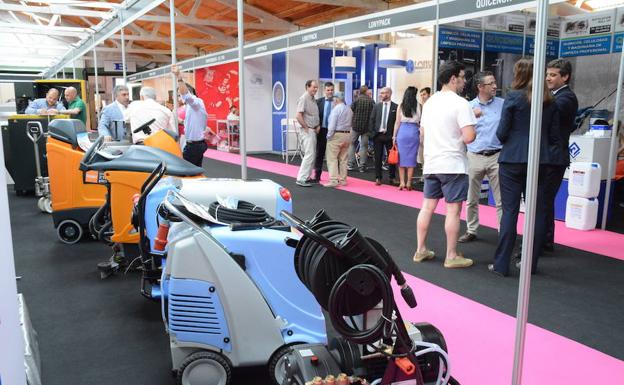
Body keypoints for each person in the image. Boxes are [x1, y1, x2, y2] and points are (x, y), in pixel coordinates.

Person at [489, 59, 561, 277]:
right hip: (541, 161)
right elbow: (555, 137)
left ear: (519, 74)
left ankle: (501, 265)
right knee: (537, 214)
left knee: (510, 212)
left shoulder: (513, 97)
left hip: (512, 159)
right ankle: (529, 264)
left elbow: (501, 133)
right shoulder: (550, 101)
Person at [413, 61, 476, 269]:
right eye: (462, 77)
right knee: (453, 211)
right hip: (453, 165)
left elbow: (422, 134)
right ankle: (451, 255)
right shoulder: (461, 104)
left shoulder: (429, 103)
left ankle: (420, 249)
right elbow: (469, 137)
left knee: (427, 207)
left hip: (432, 163)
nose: (464, 82)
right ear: (453, 79)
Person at [458, 71, 504, 243]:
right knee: (471, 198)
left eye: (494, 82)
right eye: (490, 83)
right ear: (480, 87)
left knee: (501, 200)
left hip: (497, 156)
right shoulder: (467, 107)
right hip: (473, 155)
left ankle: (503, 231)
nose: (495, 86)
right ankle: (471, 230)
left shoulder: (503, 104)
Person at [543, 59, 579, 251]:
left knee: (545, 200)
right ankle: (543, 239)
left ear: (565, 77)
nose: (548, 78)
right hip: (549, 156)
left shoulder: (566, 98)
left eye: (553, 74)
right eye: (547, 74)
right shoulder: (554, 96)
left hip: (554, 158)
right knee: (543, 200)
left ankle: (544, 241)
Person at [173, 65, 208, 167]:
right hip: (194, 144)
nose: (179, 98)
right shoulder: (191, 106)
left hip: (195, 146)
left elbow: (187, 96)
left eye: (179, 94)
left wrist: (179, 77)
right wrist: (182, 122)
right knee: (195, 170)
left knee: (187, 171)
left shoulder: (196, 102)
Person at [392, 86, 421, 191]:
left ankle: (402, 182)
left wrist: (394, 136)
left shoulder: (401, 105)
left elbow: (397, 122)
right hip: (414, 132)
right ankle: (409, 182)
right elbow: (420, 122)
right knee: (411, 158)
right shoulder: (419, 106)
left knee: (401, 159)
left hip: (402, 132)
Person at [369, 87, 398, 186]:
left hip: (390, 136)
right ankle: (378, 177)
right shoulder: (377, 106)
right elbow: (372, 120)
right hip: (378, 135)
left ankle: (392, 177)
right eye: (381, 93)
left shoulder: (396, 107)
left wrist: (395, 136)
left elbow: (397, 123)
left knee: (392, 158)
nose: (381, 95)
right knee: (377, 157)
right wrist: (372, 133)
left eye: (384, 93)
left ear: (389, 94)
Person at [323, 91, 353, 188]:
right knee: (343, 159)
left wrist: (328, 136)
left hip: (336, 135)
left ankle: (334, 180)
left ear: (336, 99)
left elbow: (332, 125)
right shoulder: (349, 109)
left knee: (332, 158)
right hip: (347, 135)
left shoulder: (336, 110)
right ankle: (343, 180)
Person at [295, 80, 320, 187]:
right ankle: (301, 178)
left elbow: (313, 115)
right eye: (313, 87)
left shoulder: (313, 99)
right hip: (307, 130)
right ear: (307, 87)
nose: (315, 89)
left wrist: (317, 125)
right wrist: (306, 127)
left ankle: (306, 177)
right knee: (309, 154)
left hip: (312, 130)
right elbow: (298, 115)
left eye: (316, 87)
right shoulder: (304, 98)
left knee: (311, 154)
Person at [348, 85, 375, 172]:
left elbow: (350, 112)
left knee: (351, 144)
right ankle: (362, 166)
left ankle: (350, 164)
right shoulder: (371, 101)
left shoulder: (356, 100)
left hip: (355, 126)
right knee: (364, 146)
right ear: (366, 91)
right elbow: (373, 115)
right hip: (366, 128)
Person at [313, 82, 335, 183]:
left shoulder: (337, 102)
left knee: (333, 156)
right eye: (328, 90)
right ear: (324, 91)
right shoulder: (318, 102)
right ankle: (317, 176)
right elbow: (315, 116)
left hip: (334, 132)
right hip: (321, 130)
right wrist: (316, 126)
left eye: (331, 90)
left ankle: (334, 177)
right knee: (319, 154)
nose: (330, 92)